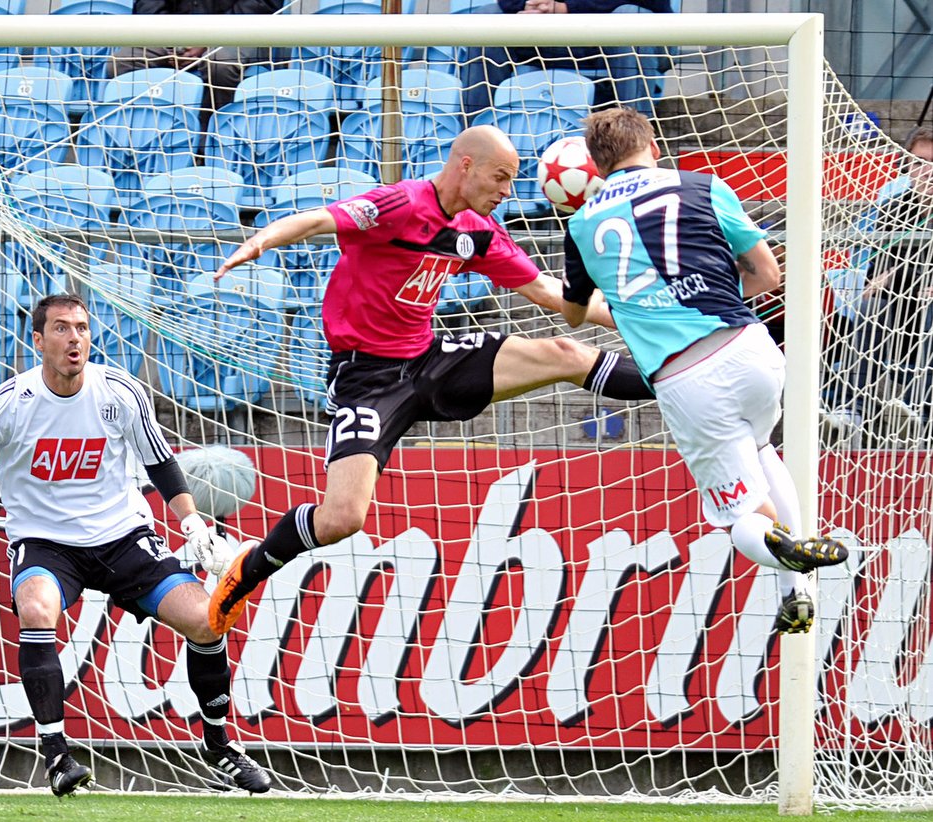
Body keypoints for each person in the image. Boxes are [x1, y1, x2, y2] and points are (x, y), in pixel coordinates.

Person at [205, 124, 652, 636]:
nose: (508, 191)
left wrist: (638, 318)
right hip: (368, 379)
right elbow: (317, 220)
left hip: (430, 358)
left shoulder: (478, 229)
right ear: (465, 165)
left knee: (565, 352)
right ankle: (250, 567)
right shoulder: (399, 205)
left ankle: (676, 378)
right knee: (341, 519)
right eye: (500, 177)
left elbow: (551, 293)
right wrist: (262, 239)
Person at [0, 294, 271, 797]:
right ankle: (56, 756)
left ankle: (220, 746)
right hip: (46, 543)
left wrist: (194, 525)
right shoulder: (10, 401)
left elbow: (160, 463)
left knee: (207, 619)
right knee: (36, 608)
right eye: (63, 329)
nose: (75, 339)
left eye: (83, 328)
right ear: (38, 340)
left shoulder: (120, 392)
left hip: (122, 539)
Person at [560, 107, 849, 635]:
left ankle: (783, 548)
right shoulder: (704, 186)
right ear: (651, 144)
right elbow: (767, 272)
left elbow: (574, 312)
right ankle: (797, 591)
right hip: (752, 348)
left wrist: (637, 305)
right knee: (762, 450)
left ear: (595, 167)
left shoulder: (582, 222)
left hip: (687, 378)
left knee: (742, 516)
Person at [821, 126, 933, 448]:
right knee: (869, 308)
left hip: (926, 308)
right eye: (918, 161)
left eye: (932, 162)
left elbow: (897, 273)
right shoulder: (894, 208)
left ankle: (916, 413)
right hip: (898, 305)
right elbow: (877, 275)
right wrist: (880, 281)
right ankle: (851, 412)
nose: (925, 171)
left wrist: (897, 279)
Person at [459, 0, 677, 119]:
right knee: (488, 16)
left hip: (623, 36)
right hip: (555, 36)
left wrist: (567, 8)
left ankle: (636, 142)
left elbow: (654, 3)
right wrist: (526, 5)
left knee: (630, 17)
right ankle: (474, 136)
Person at [111, 0, 284, 114]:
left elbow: (262, 5)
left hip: (238, 32)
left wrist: (207, 37)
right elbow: (147, 5)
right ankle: (142, 136)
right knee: (122, 61)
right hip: (171, 32)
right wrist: (174, 39)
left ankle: (212, 139)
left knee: (220, 63)